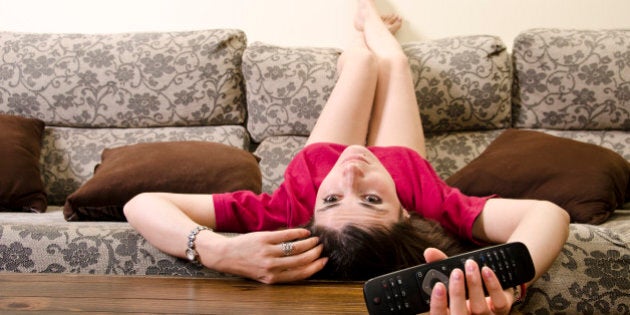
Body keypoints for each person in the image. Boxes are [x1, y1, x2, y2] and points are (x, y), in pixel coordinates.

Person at [124, 1, 570, 313]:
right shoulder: (431, 203)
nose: (352, 176)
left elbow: (139, 203)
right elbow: (549, 215)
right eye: (372, 201)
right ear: (406, 213)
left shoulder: (288, 208)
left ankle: (361, 29)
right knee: (393, 65)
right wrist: (507, 282)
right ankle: (374, 25)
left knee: (361, 64)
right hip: (401, 163)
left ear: (311, 213)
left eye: (332, 201)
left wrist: (216, 250)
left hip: (321, 158)